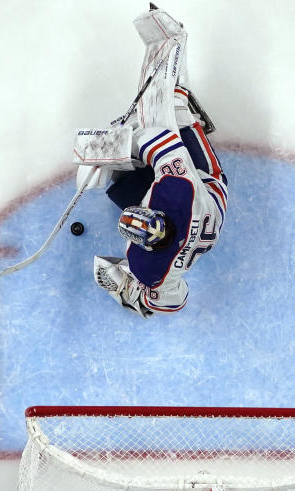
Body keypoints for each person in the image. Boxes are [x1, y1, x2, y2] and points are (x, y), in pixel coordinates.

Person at [93, 11, 228, 318]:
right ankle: (184, 102)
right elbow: (160, 137)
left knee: (119, 186)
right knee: (177, 116)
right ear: (155, 215)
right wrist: (122, 143)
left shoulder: (149, 267)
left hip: (190, 224)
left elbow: (170, 300)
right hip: (208, 188)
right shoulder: (177, 192)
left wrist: (113, 153)